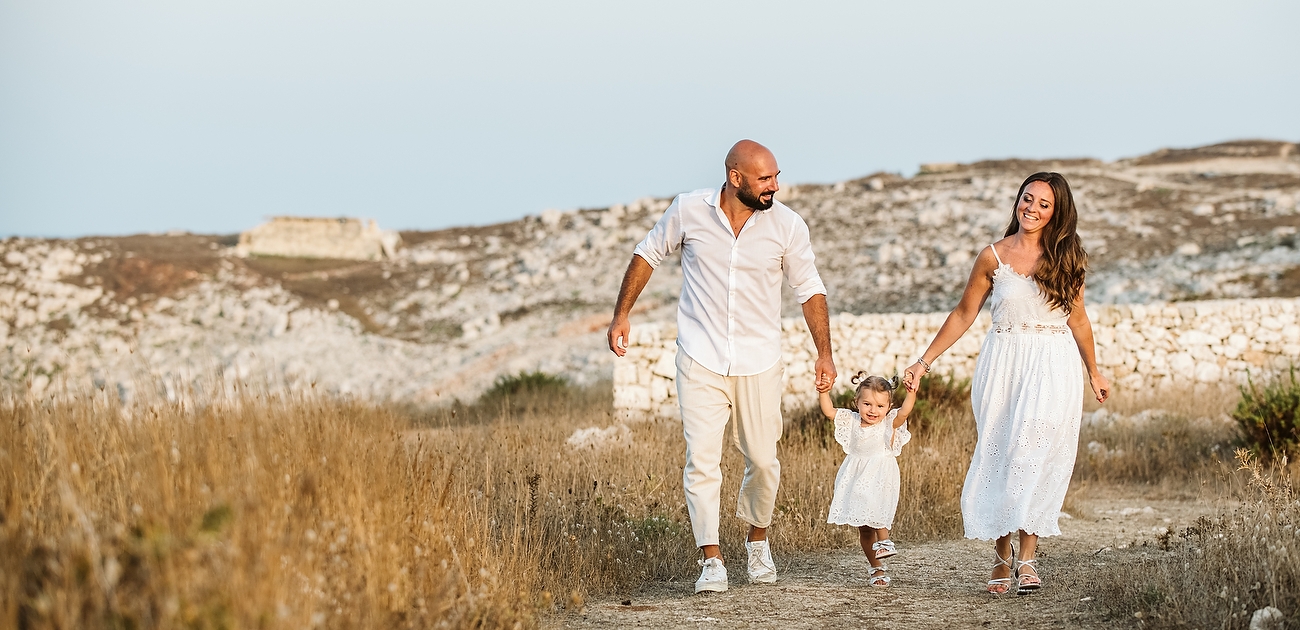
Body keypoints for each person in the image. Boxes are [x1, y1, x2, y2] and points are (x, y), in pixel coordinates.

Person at [608, 140, 836, 594]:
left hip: (759, 359)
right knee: (702, 462)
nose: (774, 186)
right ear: (736, 178)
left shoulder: (787, 225)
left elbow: (809, 288)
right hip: (700, 356)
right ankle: (710, 558)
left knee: (763, 460)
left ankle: (757, 541)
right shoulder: (688, 210)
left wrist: (824, 352)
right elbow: (647, 254)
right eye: (765, 179)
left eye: (775, 177)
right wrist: (622, 314)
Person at [902, 172, 1110, 595]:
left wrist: (1094, 369)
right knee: (1002, 455)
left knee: (1033, 455)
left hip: (1053, 364)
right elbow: (964, 314)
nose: (1031, 208)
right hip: (1003, 365)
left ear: (1058, 213)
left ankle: (1028, 559)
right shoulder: (992, 257)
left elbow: (1080, 319)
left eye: (1043, 204)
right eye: (1027, 198)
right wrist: (924, 362)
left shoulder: (1068, 259)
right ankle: (1001, 556)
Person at [816, 371, 917, 587]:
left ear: (889, 407)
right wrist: (823, 391)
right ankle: (876, 569)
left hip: (881, 475)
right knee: (863, 527)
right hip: (856, 476)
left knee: (874, 504)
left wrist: (911, 392)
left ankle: (885, 541)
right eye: (867, 404)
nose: (873, 410)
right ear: (857, 402)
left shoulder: (888, 423)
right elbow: (828, 411)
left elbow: (906, 412)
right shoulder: (851, 421)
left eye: (880, 406)